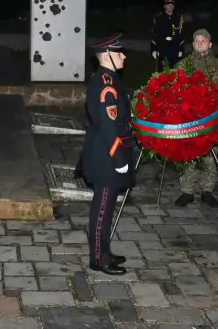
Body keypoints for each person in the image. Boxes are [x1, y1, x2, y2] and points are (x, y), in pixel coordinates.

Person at [79, 34, 135, 276]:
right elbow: (108, 128)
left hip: (107, 151)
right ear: (106, 56)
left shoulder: (109, 79)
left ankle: (104, 251)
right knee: (102, 209)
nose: (123, 57)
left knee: (107, 206)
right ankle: (99, 259)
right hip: (106, 155)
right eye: (119, 53)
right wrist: (119, 160)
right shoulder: (106, 86)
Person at [174, 28, 218, 207]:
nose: (200, 43)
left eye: (203, 41)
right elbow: (177, 89)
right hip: (189, 119)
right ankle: (187, 191)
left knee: (210, 156)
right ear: (193, 44)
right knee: (188, 153)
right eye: (197, 41)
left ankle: (207, 190)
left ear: (210, 44)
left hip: (212, 119)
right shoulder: (182, 65)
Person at [150, 0, 184, 70]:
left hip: (175, 50)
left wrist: (181, 49)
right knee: (162, 72)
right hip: (162, 49)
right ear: (164, 6)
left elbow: (181, 35)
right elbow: (154, 35)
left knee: (175, 72)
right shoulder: (158, 18)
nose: (170, 7)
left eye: (172, 5)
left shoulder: (178, 17)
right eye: (168, 5)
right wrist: (154, 49)